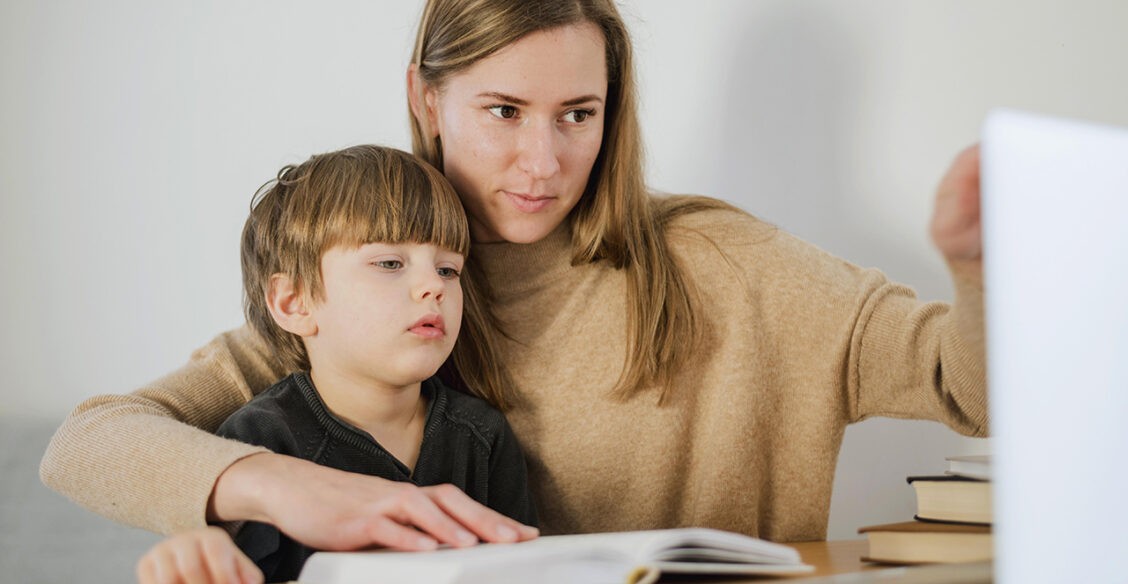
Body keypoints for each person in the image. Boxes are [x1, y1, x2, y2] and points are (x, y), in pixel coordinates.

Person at [41, 0, 987, 557]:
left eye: (578, 114)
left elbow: (971, 385)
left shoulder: (730, 268)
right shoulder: (360, 297)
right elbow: (87, 442)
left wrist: (976, 272)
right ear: (427, 98)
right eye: (503, 109)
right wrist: (277, 484)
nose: (543, 161)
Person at [137, 145, 537, 583]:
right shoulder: (259, 439)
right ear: (294, 303)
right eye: (389, 263)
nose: (432, 287)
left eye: (448, 270)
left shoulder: (482, 435)